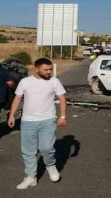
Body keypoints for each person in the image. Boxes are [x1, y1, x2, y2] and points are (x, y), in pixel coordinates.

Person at [8, 58, 67, 189]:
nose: (49, 72)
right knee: (28, 151)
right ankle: (31, 177)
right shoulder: (25, 82)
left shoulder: (54, 81)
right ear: (36, 68)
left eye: (50, 69)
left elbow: (62, 98)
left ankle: (51, 166)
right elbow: (17, 98)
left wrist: (62, 116)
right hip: (28, 121)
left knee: (46, 148)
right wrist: (12, 115)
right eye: (46, 69)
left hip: (48, 120)